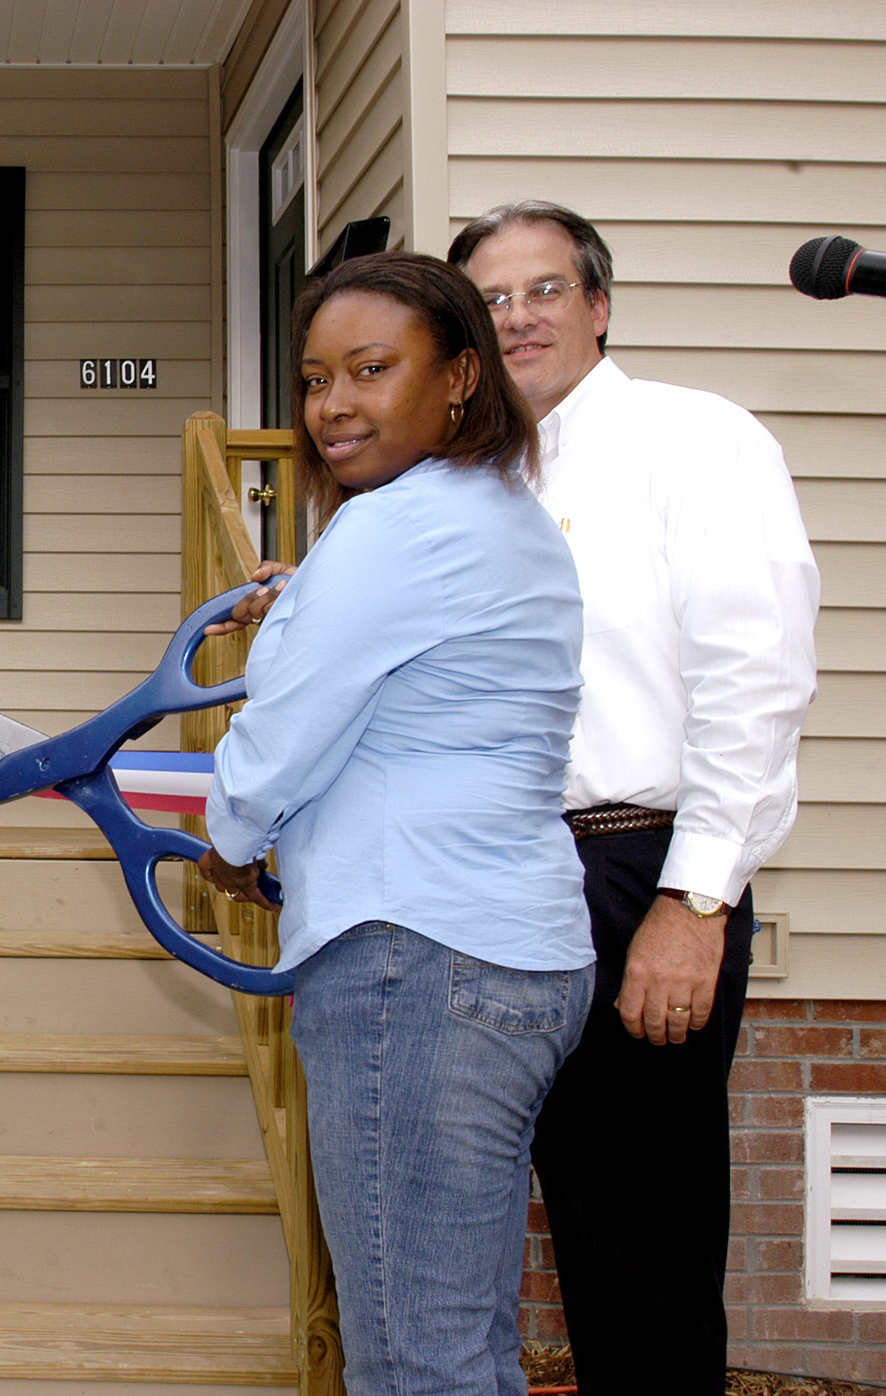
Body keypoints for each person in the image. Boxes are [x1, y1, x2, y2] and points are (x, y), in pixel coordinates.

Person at [196, 251, 594, 1393]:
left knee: (415, 1362)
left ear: (462, 376)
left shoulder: (397, 529)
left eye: (372, 370)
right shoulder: (504, 515)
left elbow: (284, 731)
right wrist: (310, 598)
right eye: (317, 378)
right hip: (519, 953)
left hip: (411, 958)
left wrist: (227, 843)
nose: (333, 405)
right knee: (467, 1347)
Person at [448, 202, 819, 1392]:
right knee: (470, 1224)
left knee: (639, 1242)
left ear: (599, 306)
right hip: (487, 879)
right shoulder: (465, 479)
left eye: (544, 290)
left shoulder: (694, 440)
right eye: (490, 300)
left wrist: (695, 900)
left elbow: (755, 681)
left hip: (636, 871)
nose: (517, 318)